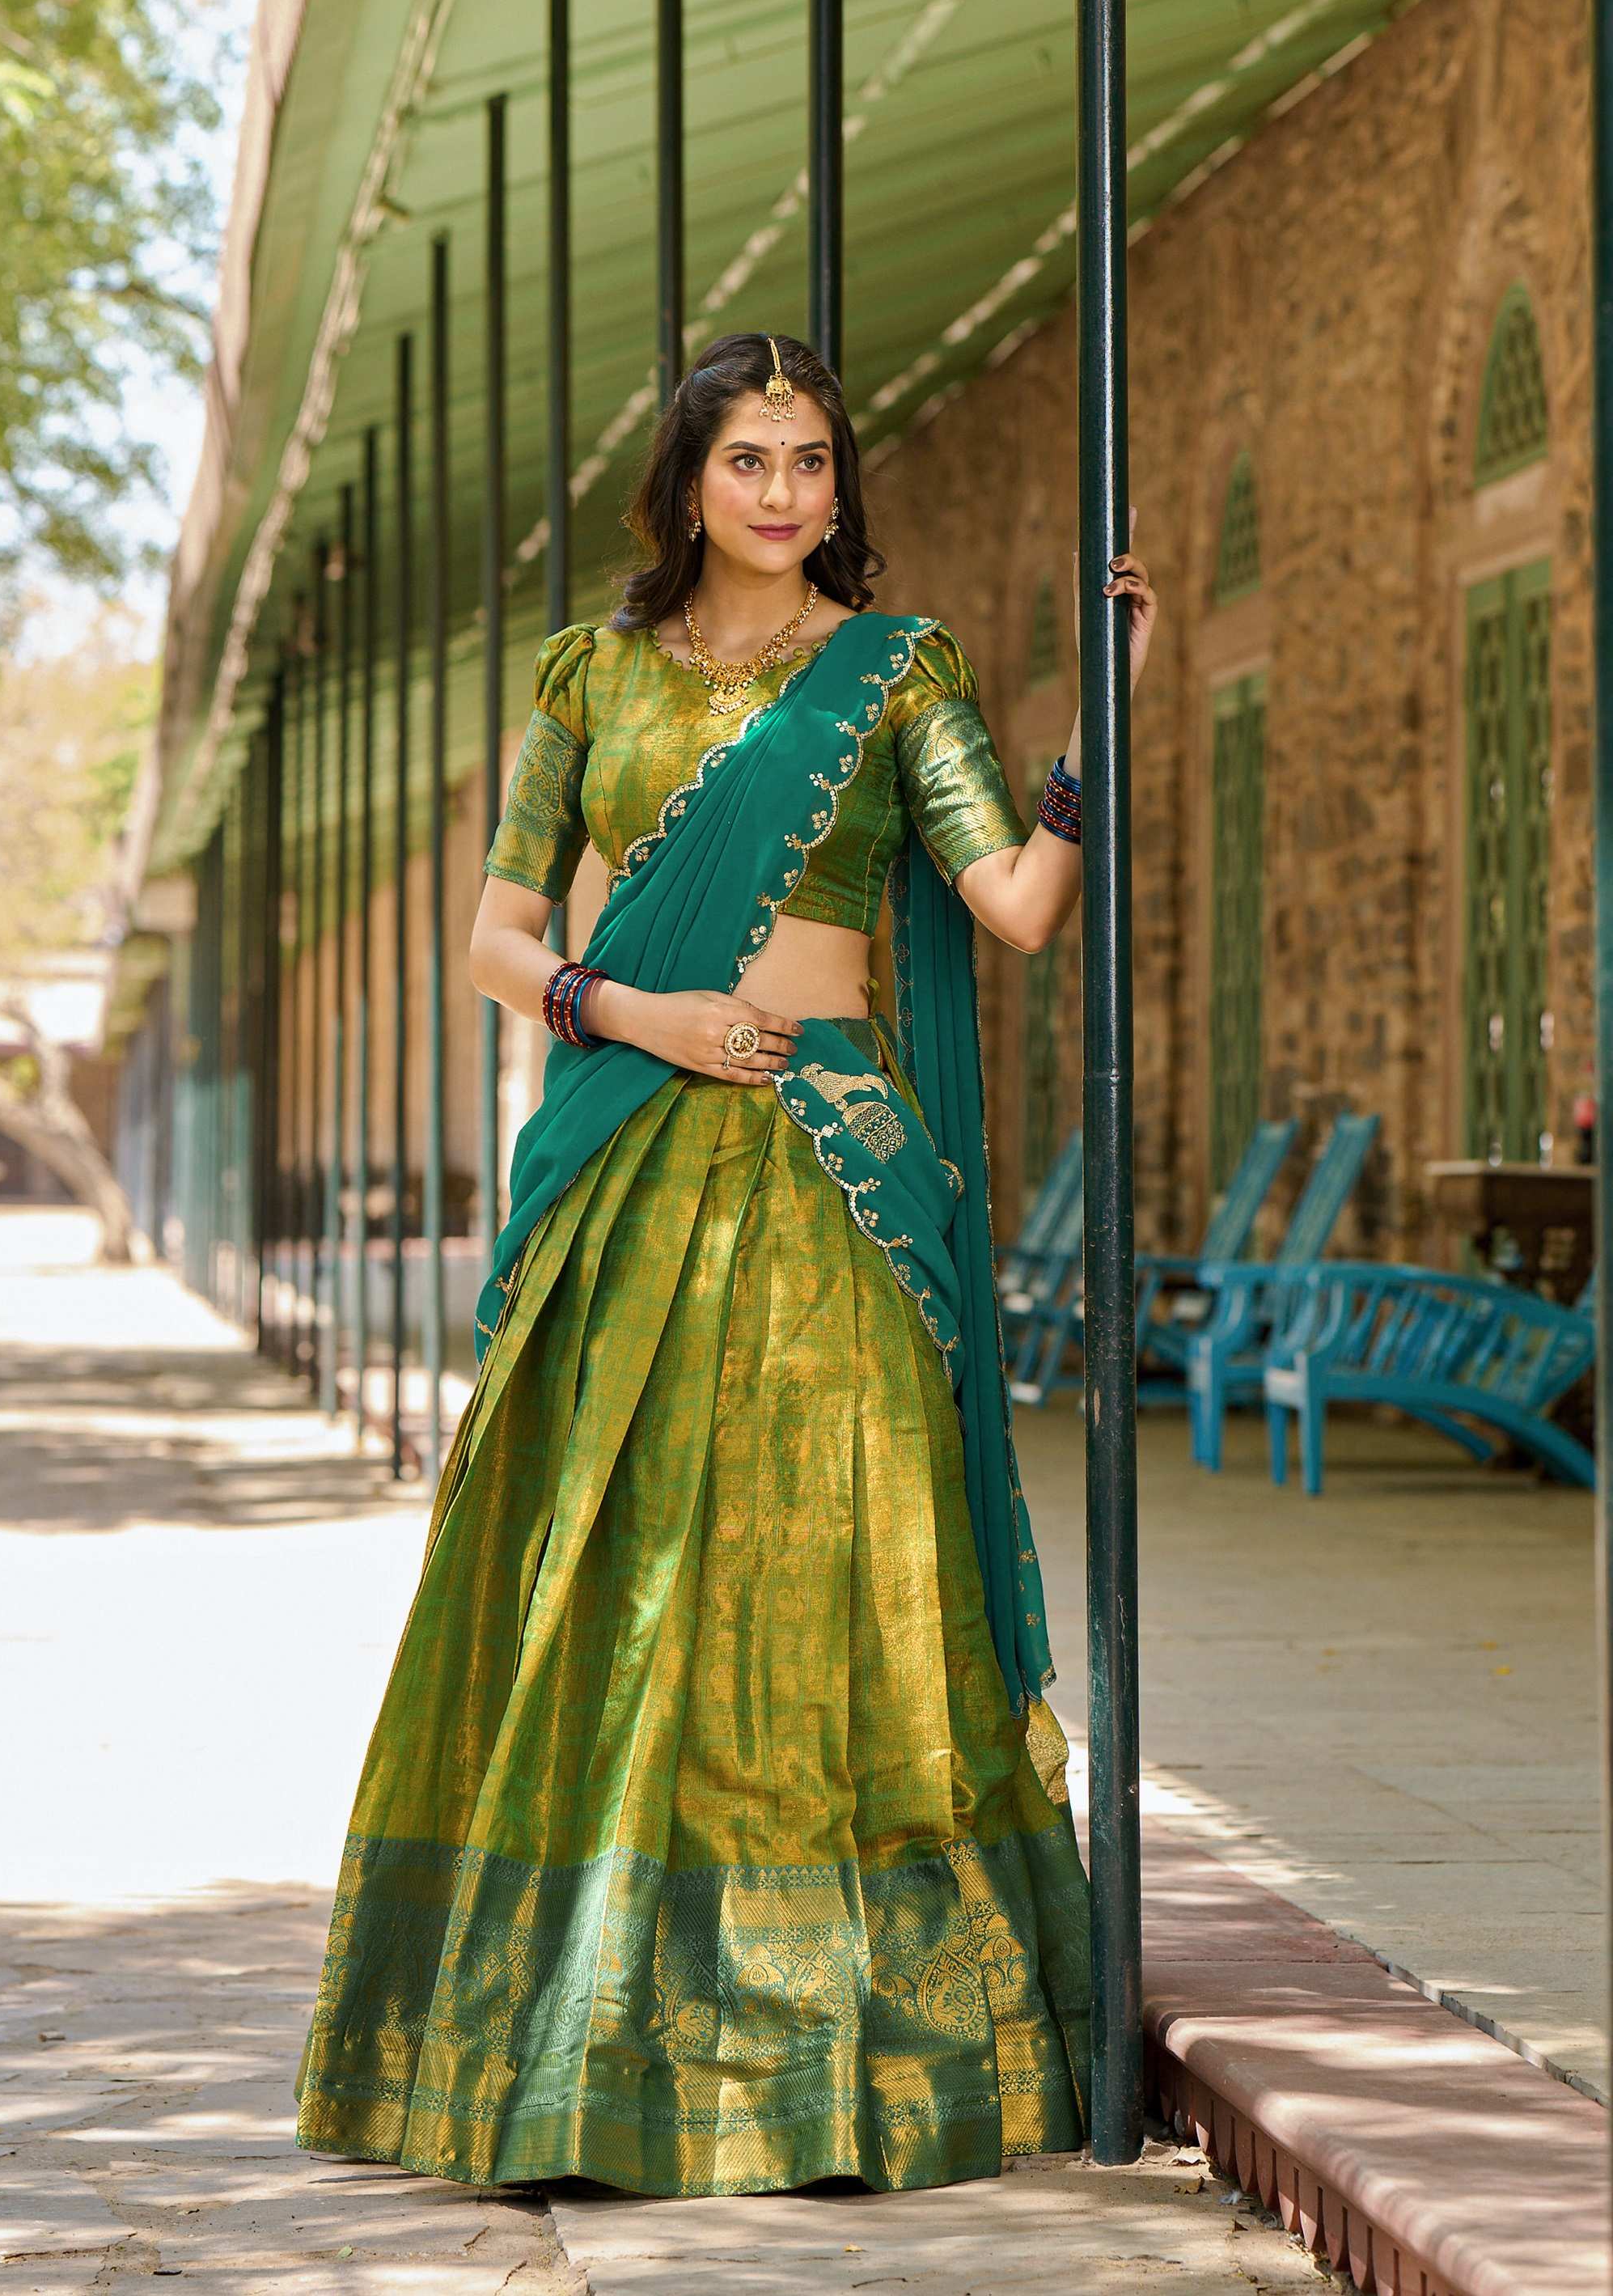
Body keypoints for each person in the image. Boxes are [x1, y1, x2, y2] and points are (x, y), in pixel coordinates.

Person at [294, 329, 1157, 2201]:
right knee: (623, 1578)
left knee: (838, 1574)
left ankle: (849, 2060)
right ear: (687, 477)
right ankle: (581, 2044)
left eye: (815, 465)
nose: (786, 496)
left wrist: (1099, 718)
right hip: (638, 1158)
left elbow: (1011, 901)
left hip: (838, 1175)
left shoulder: (896, 672)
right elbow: (496, 940)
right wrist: (645, 1015)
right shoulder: (587, 679)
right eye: (752, 462)